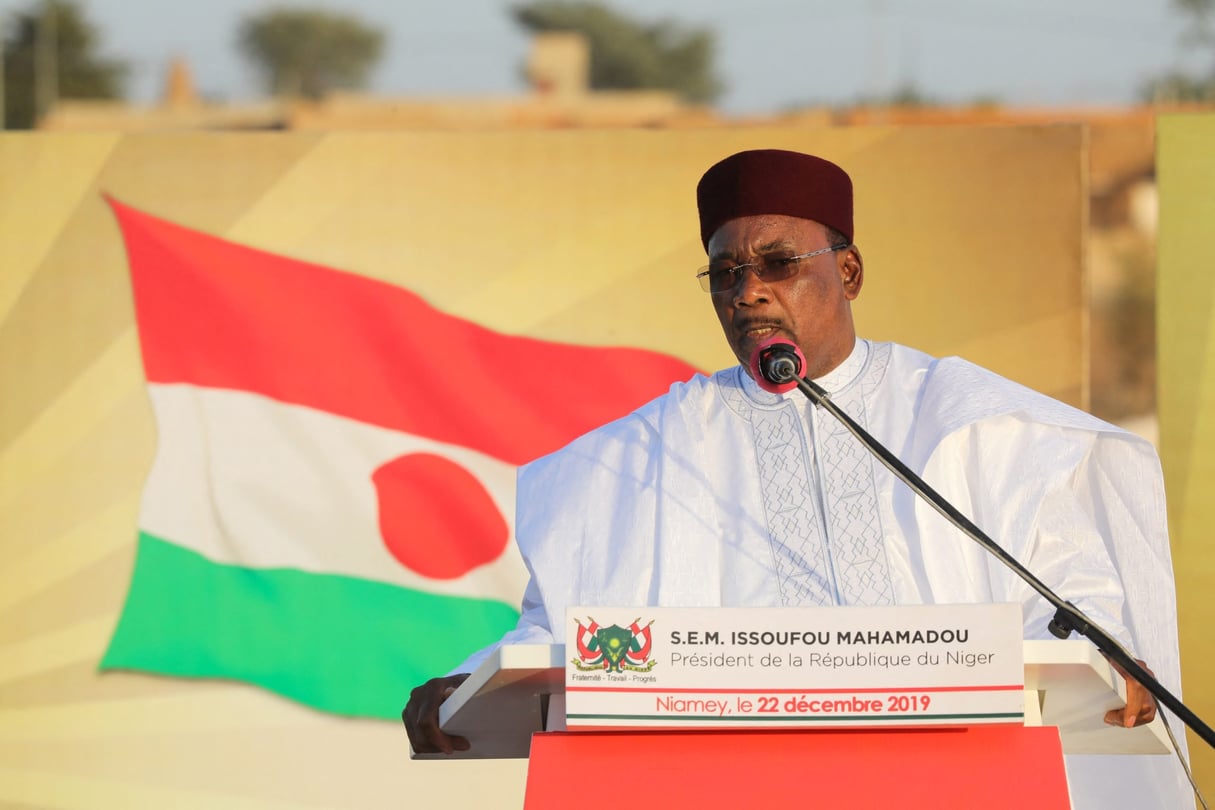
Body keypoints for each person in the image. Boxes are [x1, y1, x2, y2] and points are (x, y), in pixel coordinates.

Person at [403, 149, 1188, 807]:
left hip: (958, 781)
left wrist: (1112, 652)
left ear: (846, 272)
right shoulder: (640, 454)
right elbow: (566, 632)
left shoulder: (967, 425)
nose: (748, 290)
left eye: (778, 263)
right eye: (724, 273)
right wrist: (465, 682)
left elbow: (1066, 600)